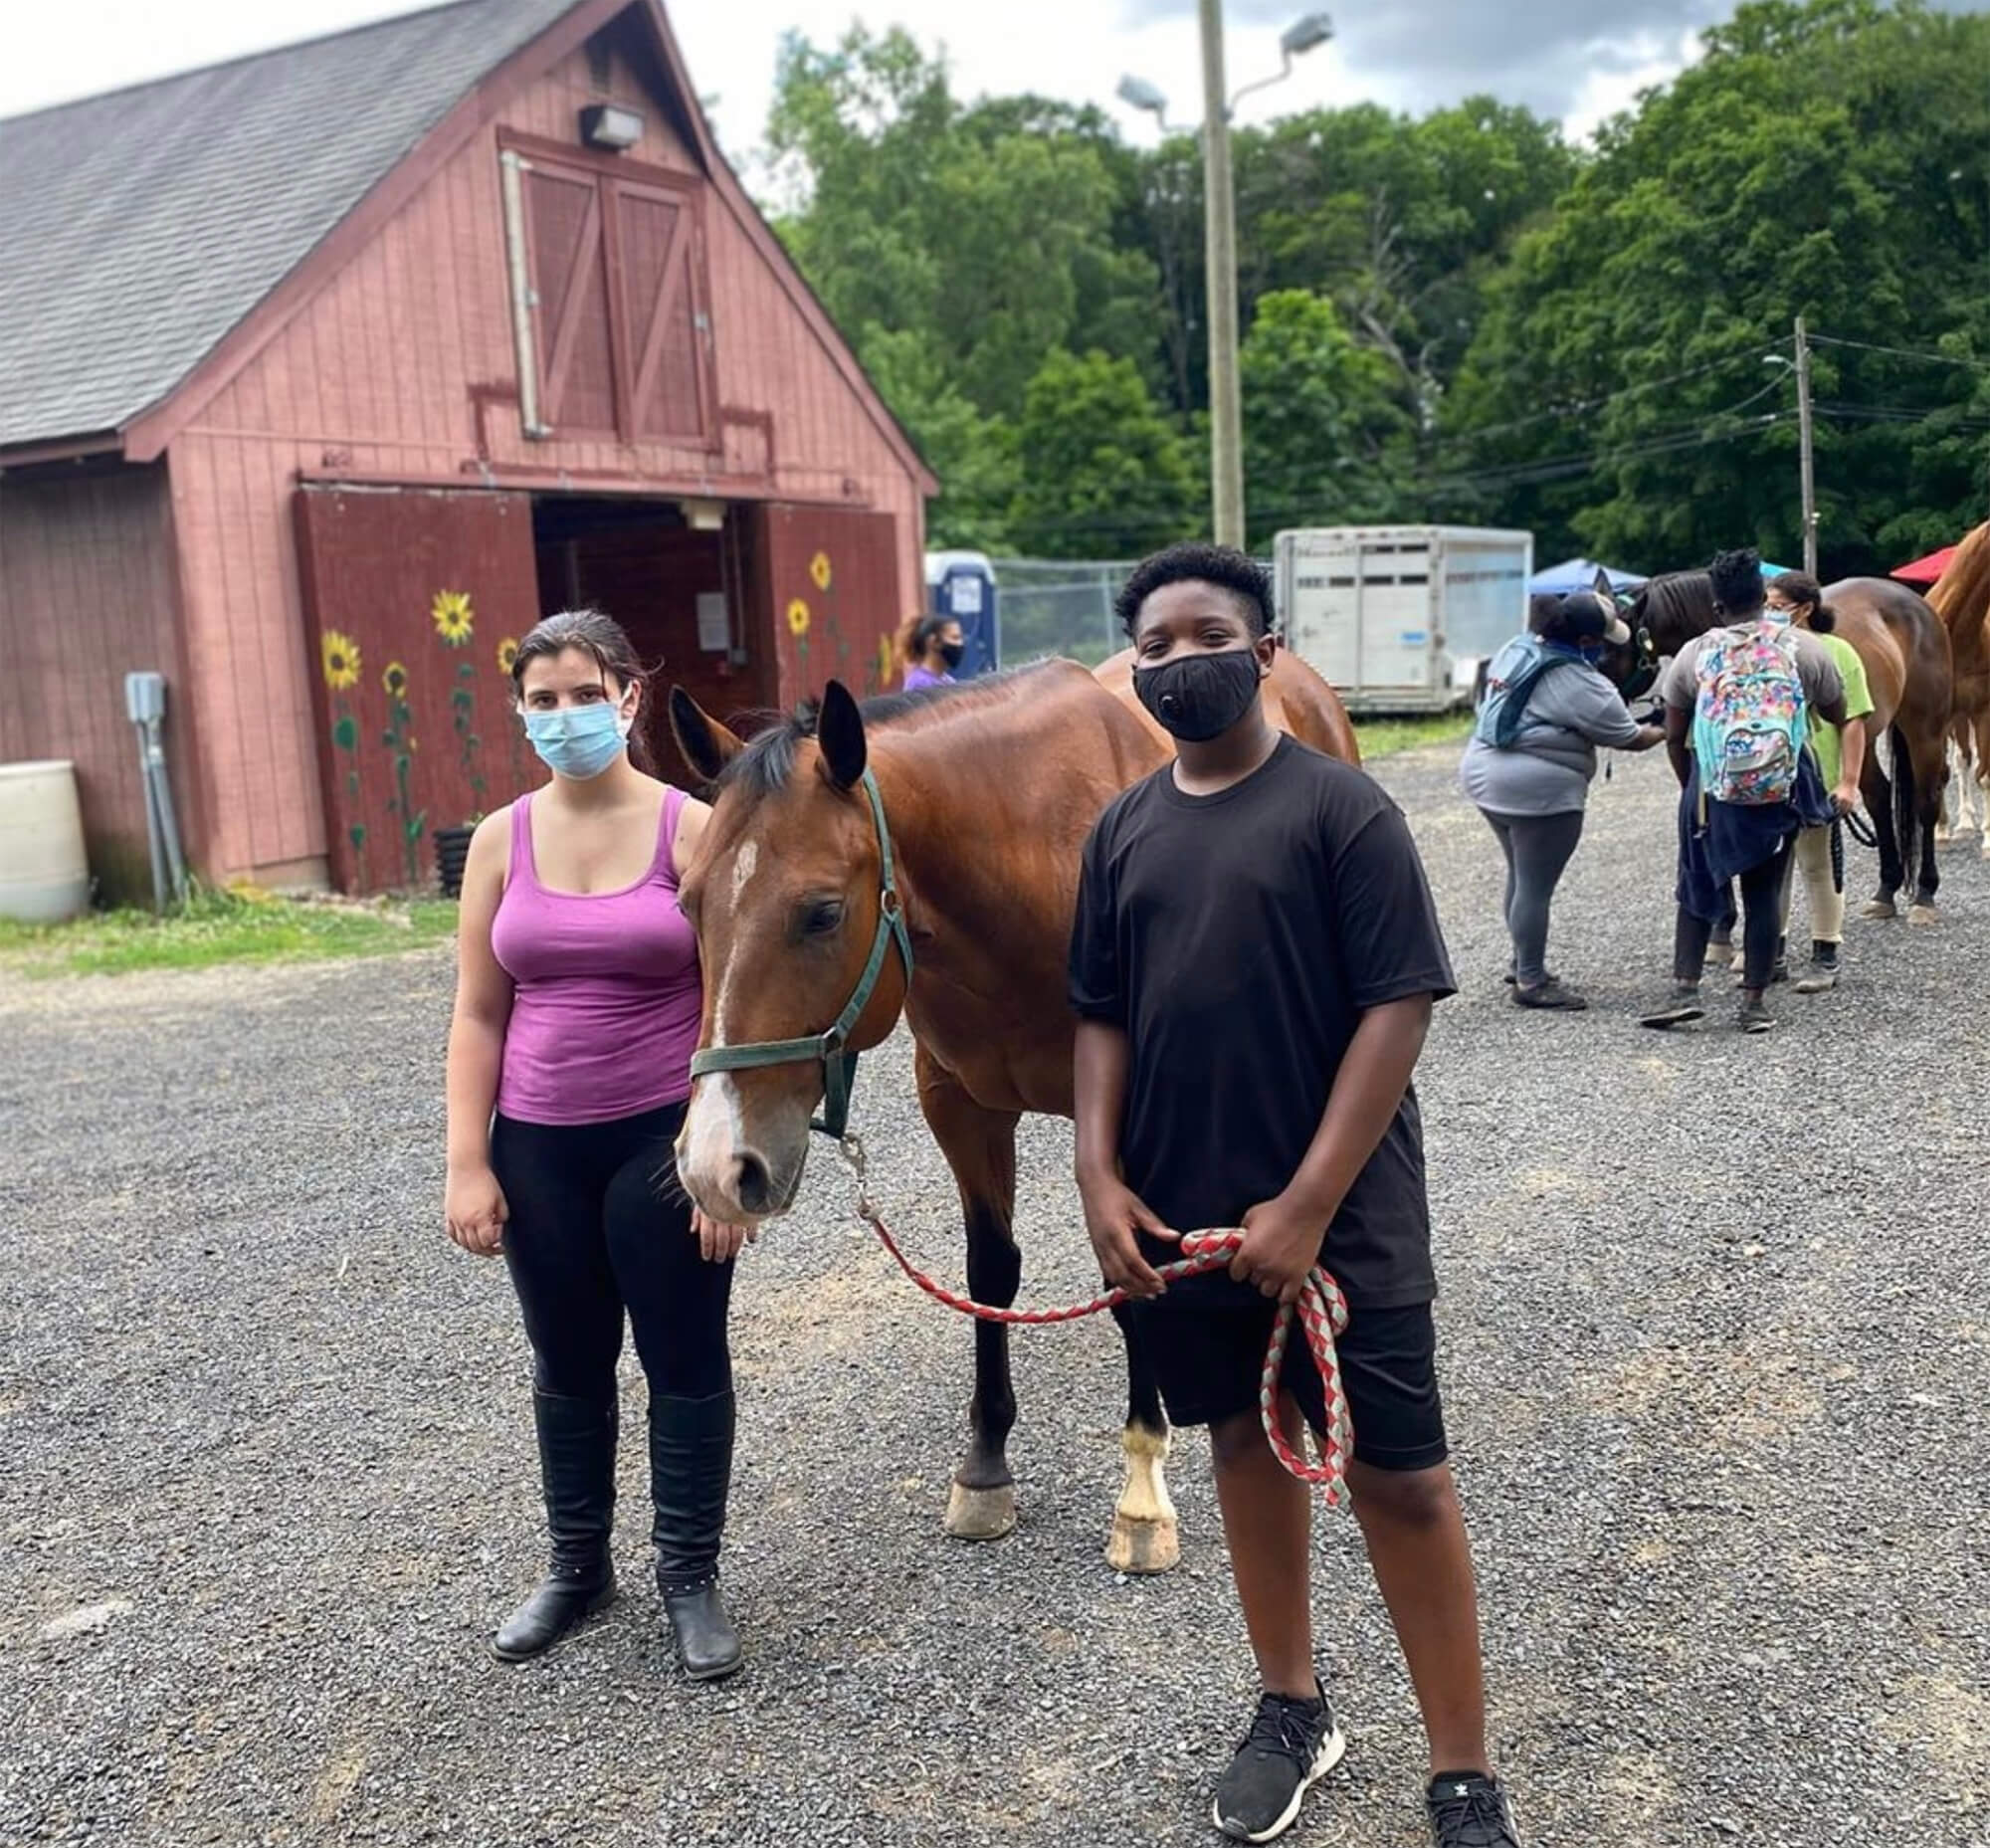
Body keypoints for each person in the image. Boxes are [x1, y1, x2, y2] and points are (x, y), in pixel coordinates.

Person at [1069, 542, 1517, 1848]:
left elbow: (1396, 1008)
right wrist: (1097, 1174)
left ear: (1265, 653)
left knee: (1404, 1477)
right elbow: (1097, 1016)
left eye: (1206, 634)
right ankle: (1291, 1703)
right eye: (1152, 645)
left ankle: (1464, 1770)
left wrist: (1312, 1202)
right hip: (1180, 1214)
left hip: (1344, 1228)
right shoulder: (1122, 832)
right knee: (1240, 1447)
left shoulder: (1341, 814)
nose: (1177, 661)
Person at [443, 607, 750, 1678]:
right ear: (520, 713)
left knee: (682, 1359)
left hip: (658, 1150)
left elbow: (731, 1011)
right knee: (567, 1363)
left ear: (628, 696)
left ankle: (688, 1578)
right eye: (544, 700)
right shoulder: (498, 841)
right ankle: (578, 1568)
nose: (566, 716)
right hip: (536, 1146)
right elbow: (478, 1011)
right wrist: (468, 1160)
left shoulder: (692, 829)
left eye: (586, 694)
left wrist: (719, 1177)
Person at [1640, 550, 1846, 1035]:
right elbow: (1838, 712)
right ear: (1763, 599)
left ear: (1716, 607)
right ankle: (1753, 1003)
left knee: (1696, 885)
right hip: (1779, 788)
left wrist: (1691, 785)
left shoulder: (1695, 652)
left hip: (1710, 791)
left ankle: (1685, 990)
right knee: (1763, 891)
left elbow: (1674, 732)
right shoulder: (1802, 648)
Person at [1459, 587, 1665, 1010]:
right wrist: (1667, 727)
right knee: (1535, 886)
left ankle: (1522, 961)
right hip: (1538, 789)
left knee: (1521, 873)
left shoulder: (1516, 647)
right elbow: (1630, 737)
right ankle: (1531, 982)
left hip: (1484, 771)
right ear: (1589, 641)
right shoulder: (1583, 682)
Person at [1766, 571, 1874, 992]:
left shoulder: (1838, 651)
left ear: (1805, 608)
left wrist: (1848, 782)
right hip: (1772, 776)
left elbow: (1854, 720)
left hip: (1819, 775)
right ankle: (1770, 951)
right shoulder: (1764, 648)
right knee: (1772, 867)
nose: (1769, 613)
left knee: (1818, 866)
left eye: (1777, 606)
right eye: (1766, 605)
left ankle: (1824, 954)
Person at [896, 610, 966, 690]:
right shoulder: (919, 684)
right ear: (933, 641)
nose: (960, 643)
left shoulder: (948, 680)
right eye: (955, 638)